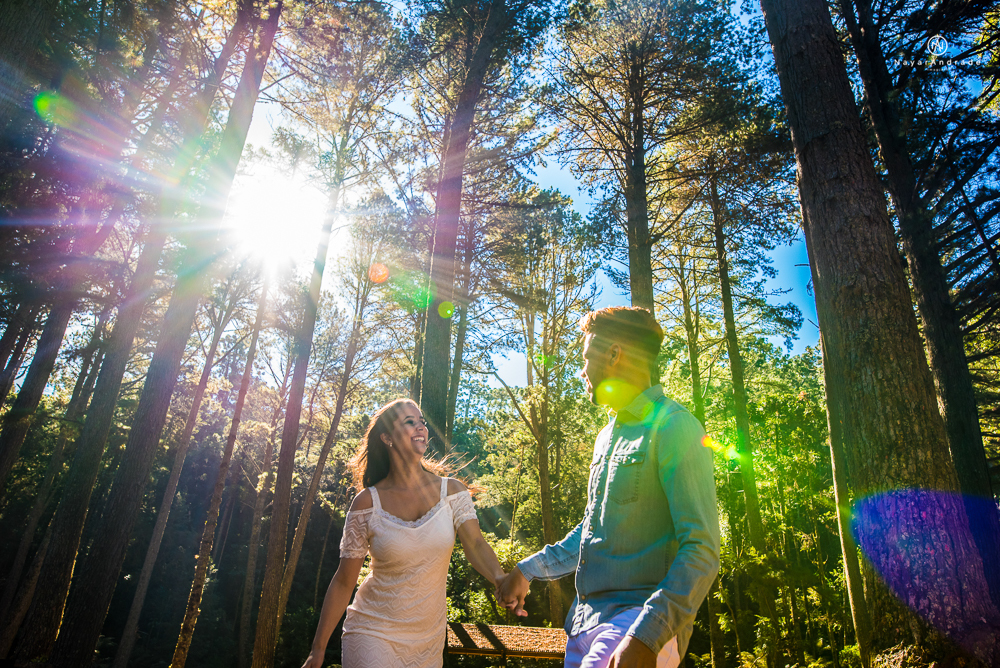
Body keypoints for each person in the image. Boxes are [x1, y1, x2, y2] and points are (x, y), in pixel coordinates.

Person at [497, 306, 720, 668]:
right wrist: (528, 569)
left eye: (587, 358)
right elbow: (592, 532)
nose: (583, 371)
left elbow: (703, 549)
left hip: (636, 624)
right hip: (584, 626)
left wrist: (647, 635)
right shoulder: (606, 438)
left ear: (614, 354)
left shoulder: (676, 427)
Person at [301, 398, 506, 668]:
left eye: (421, 421)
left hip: (427, 641)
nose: (420, 427)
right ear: (387, 437)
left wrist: (499, 578)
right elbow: (343, 581)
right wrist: (317, 650)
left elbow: (476, 544)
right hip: (372, 631)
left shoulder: (453, 492)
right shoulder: (367, 503)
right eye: (410, 422)